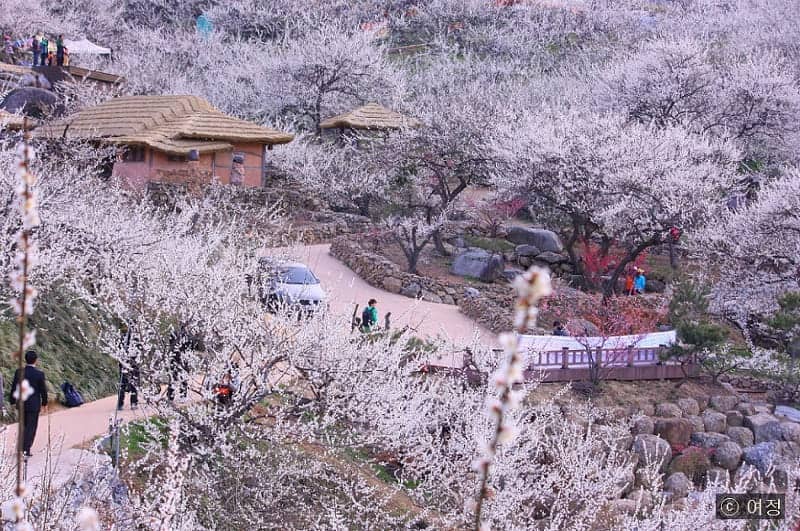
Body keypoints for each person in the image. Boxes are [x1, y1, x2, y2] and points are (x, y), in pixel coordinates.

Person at [9, 350, 48, 457]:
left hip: (21, 403)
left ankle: (21, 448)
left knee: (23, 426)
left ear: (25, 359)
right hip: (33, 404)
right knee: (31, 427)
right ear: (36, 360)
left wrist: (12, 401)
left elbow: (14, 388)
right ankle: (25, 450)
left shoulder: (18, 372)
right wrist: (44, 403)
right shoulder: (39, 374)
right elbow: (43, 390)